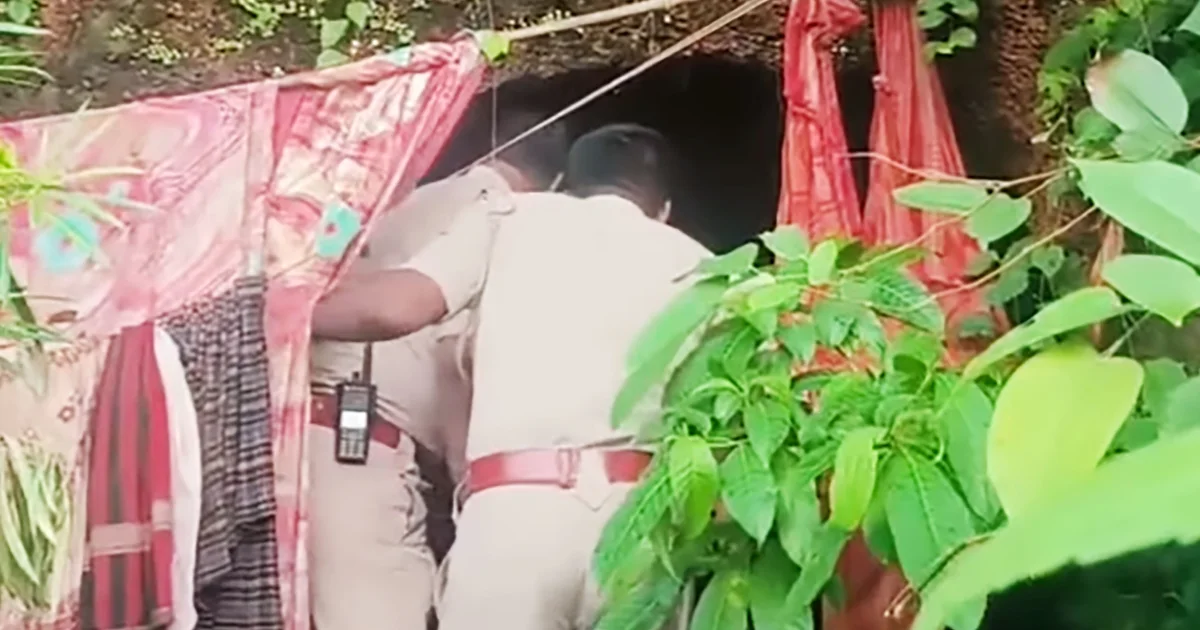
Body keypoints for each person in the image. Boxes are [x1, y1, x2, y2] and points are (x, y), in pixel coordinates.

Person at [311, 123, 710, 630]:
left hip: (515, 515)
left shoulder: (508, 217)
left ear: (563, 183)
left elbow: (396, 309)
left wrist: (282, 307)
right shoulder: (703, 265)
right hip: (643, 525)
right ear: (666, 208)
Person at [306, 109, 567, 630]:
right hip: (361, 458)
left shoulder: (407, 201)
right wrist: (473, 486)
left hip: (316, 443)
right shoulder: (499, 219)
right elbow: (454, 360)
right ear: (556, 183)